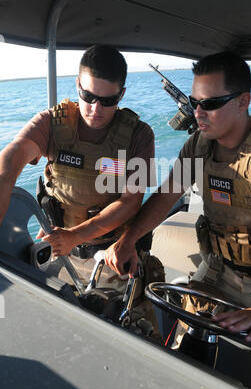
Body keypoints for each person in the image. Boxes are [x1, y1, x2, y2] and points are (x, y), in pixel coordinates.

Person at [105, 51, 251, 389]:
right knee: (182, 359)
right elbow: (167, 195)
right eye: (195, 102)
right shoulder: (199, 145)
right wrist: (129, 239)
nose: (197, 113)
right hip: (220, 269)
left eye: (209, 104)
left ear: (243, 101)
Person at [0, 45, 164, 323]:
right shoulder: (52, 123)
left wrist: (74, 235)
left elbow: (130, 201)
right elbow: (10, 162)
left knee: (130, 331)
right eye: (87, 96)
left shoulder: (138, 135)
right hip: (59, 253)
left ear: (121, 95)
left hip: (113, 255)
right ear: (77, 85)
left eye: (107, 101)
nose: (95, 109)